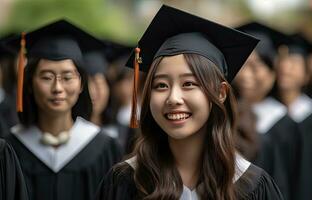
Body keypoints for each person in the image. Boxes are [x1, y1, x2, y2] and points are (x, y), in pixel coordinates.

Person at [96, 5, 283, 200]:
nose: (173, 98)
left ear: (221, 92)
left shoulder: (251, 186)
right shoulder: (125, 182)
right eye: (160, 85)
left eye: (188, 83)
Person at [4, 19, 121, 200]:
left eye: (67, 77)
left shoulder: (106, 148)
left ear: (82, 84)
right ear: (29, 84)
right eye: (46, 77)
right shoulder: (10, 148)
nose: (57, 88)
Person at [235, 22, 301, 200]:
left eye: (256, 66)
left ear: (273, 72)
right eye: (241, 64)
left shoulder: (284, 123)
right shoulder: (223, 116)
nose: (245, 74)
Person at [274, 35, 312, 200]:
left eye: (294, 63)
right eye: (282, 61)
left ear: (307, 76)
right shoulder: (267, 114)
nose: (286, 67)